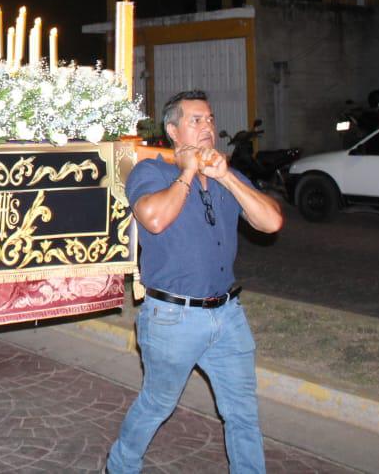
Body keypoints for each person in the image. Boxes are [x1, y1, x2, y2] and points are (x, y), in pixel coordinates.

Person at [106, 90, 285, 474]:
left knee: (242, 413)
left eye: (210, 119)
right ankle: (120, 467)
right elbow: (153, 219)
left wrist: (227, 179)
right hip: (173, 317)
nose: (207, 127)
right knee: (157, 404)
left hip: (228, 315)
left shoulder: (227, 175)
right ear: (173, 130)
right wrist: (187, 171)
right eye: (195, 120)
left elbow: (271, 222)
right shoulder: (152, 172)